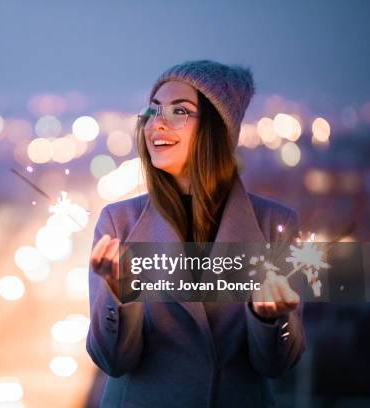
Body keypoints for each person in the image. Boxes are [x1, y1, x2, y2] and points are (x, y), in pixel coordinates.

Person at [86, 60, 305, 407]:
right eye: (153, 110)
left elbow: (278, 365)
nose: (157, 122)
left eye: (179, 111)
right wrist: (119, 293)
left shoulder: (275, 224)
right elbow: (113, 362)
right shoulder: (119, 223)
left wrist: (267, 317)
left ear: (217, 130)